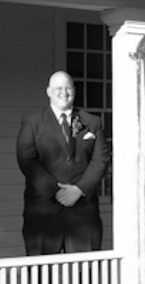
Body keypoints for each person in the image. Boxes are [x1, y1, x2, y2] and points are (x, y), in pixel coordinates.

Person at [16, 71, 110, 255]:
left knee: (84, 270)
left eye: (68, 88)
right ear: (48, 92)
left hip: (83, 212)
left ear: (74, 90)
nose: (64, 93)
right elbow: (27, 159)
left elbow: (101, 159)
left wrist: (79, 189)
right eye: (58, 88)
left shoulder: (92, 122)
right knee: (41, 270)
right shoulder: (32, 123)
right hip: (43, 212)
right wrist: (57, 191)